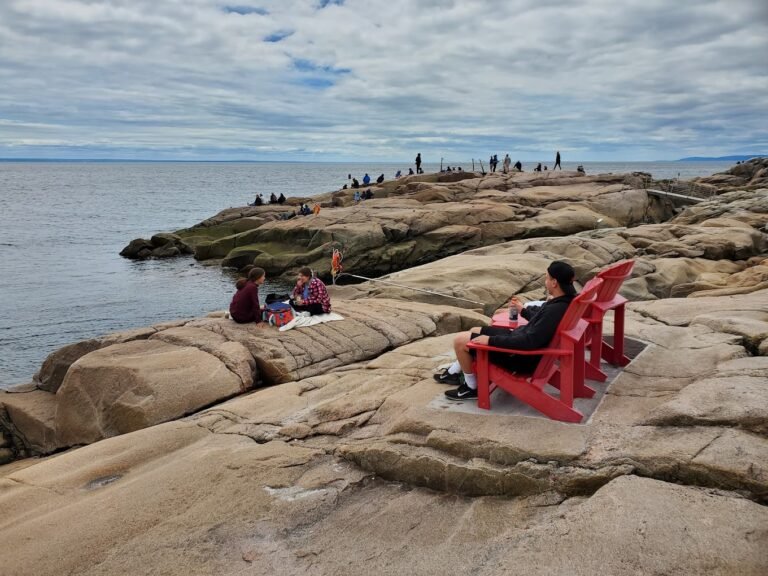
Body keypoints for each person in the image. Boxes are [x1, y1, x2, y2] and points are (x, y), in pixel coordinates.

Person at [436, 261, 578, 400]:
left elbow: (529, 341)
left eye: (547, 278)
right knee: (475, 329)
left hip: (519, 356)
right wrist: (522, 310)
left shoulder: (555, 308)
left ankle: (471, 388)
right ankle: (455, 373)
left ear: (554, 282)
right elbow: (541, 321)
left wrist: (491, 341)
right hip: (520, 344)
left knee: (460, 341)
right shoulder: (564, 302)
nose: (545, 281)